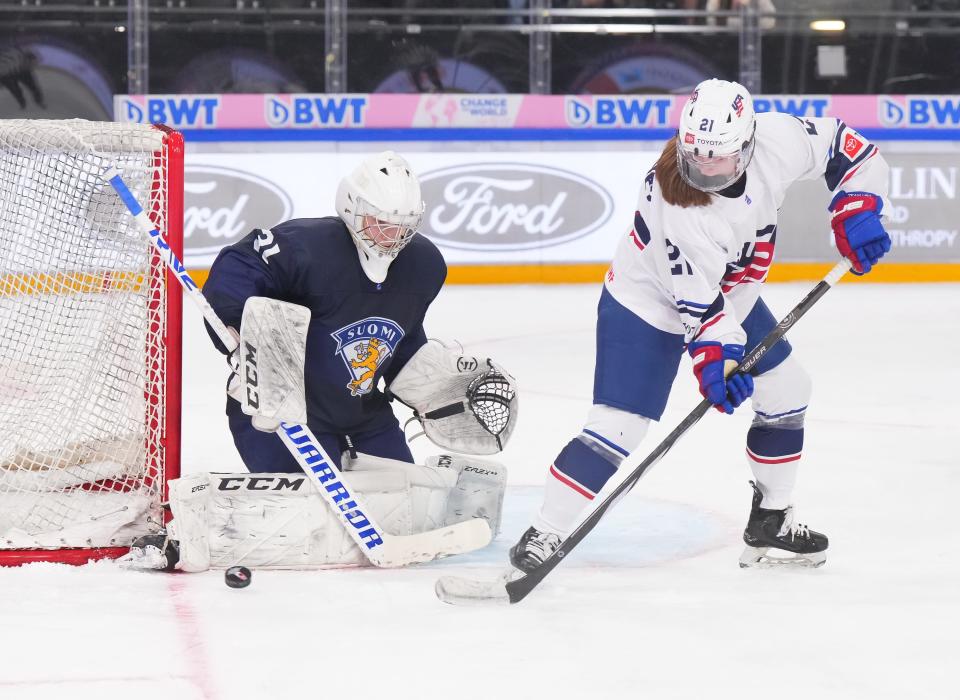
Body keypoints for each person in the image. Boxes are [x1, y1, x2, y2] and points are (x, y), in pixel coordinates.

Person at [510, 78, 892, 571]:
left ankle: (771, 519)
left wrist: (857, 207)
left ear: (748, 144)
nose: (705, 168)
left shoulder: (778, 139)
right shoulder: (682, 206)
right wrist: (718, 362)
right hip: (646, 307)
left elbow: (849, 149)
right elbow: (700, 310)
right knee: (618, 427)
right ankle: (545, 530)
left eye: (719, 157)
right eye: (697, 156)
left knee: (788, 391)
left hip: (729, 296)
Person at [202, 150, 443, 472]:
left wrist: (436, 390)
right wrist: (242, 334)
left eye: (402, 226)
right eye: (380, 223)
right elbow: (237, 267)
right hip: (287, 413)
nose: (391, 237)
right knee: (311, 517)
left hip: (366, 416)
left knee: (404, 509)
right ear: (351, 207)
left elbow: (403, 337)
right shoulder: (306, 248)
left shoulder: (424, 264)